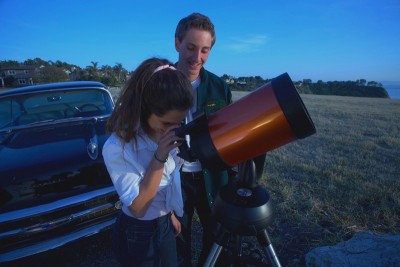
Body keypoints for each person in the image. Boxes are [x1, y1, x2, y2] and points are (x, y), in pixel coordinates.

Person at [102, 57, 193, 266]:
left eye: (179, 122)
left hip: (163, 223)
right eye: (167, 123)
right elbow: (139, 207)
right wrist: (160, 157)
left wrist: (168, 213)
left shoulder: (161, 133)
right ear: (145, 108)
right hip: (138, 231)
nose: (173, 129)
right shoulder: (118, 147)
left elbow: (166, 183)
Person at [174, 13, 234, 266]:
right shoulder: (158, 82)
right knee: (176, 239)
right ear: (177, 43)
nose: (197, 58)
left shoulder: (220, 88)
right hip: (173, 178)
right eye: (190, 47)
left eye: (205, 50)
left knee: (217, 238)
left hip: (212, 176)